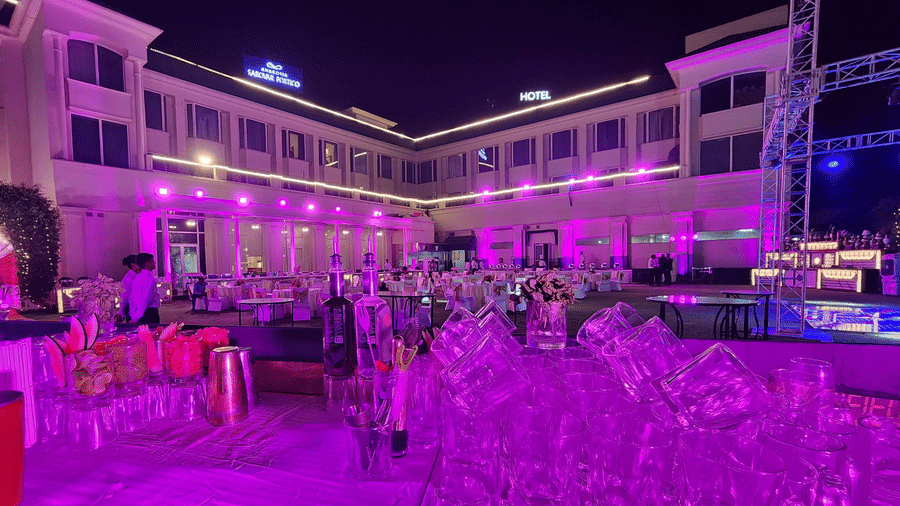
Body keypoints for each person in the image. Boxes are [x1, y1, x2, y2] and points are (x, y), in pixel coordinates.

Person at [129, 253, 161, 324]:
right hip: (148, 313)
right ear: (147, 263)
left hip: (139, 312)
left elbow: (132, 297)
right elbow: (145, 299)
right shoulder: (149, 278)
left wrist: (133, 314)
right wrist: (136, 318)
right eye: (152, 261)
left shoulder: (137, 277)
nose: (154, 263)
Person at [116, 254, 139, 323]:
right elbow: (124, 296)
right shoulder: (130, 278)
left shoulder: (134, 276)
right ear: (133, 265)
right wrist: (121, 312)